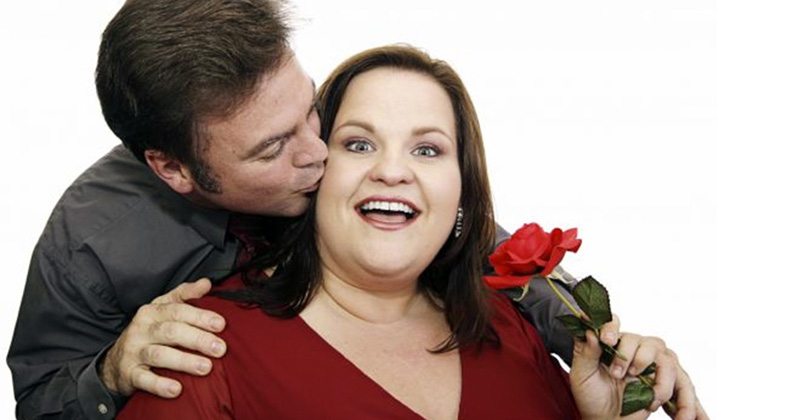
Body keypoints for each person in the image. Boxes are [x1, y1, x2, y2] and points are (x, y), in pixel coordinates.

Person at [6, 1, 593, 420]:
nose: (319, 152)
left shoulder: (282, 111)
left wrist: (593, 339)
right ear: (175, 170)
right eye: (273, 149)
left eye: (311, 110)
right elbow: (41, 400)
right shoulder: (90, 246)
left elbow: (457, 228)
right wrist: (110, 372)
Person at [117, 45, 705, 420]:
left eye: (427, 149)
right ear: (314, 170)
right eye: (359, 144)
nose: (393, 170)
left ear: (462, 193)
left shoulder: (512, 331)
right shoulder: (200, 350)